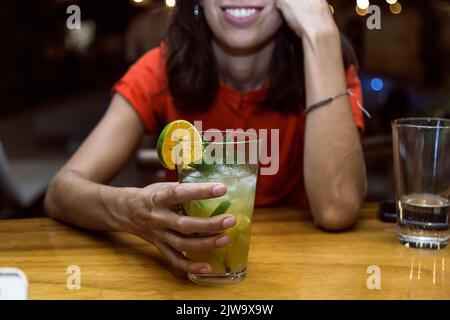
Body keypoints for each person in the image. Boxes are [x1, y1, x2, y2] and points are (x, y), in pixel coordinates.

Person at [45, 0, 367, 275]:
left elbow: (336, 210)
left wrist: (320, 32)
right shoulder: (162, 69)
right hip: (195, 275)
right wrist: (132, 211)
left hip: (302, 274)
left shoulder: (327, 68)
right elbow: (61, 192)